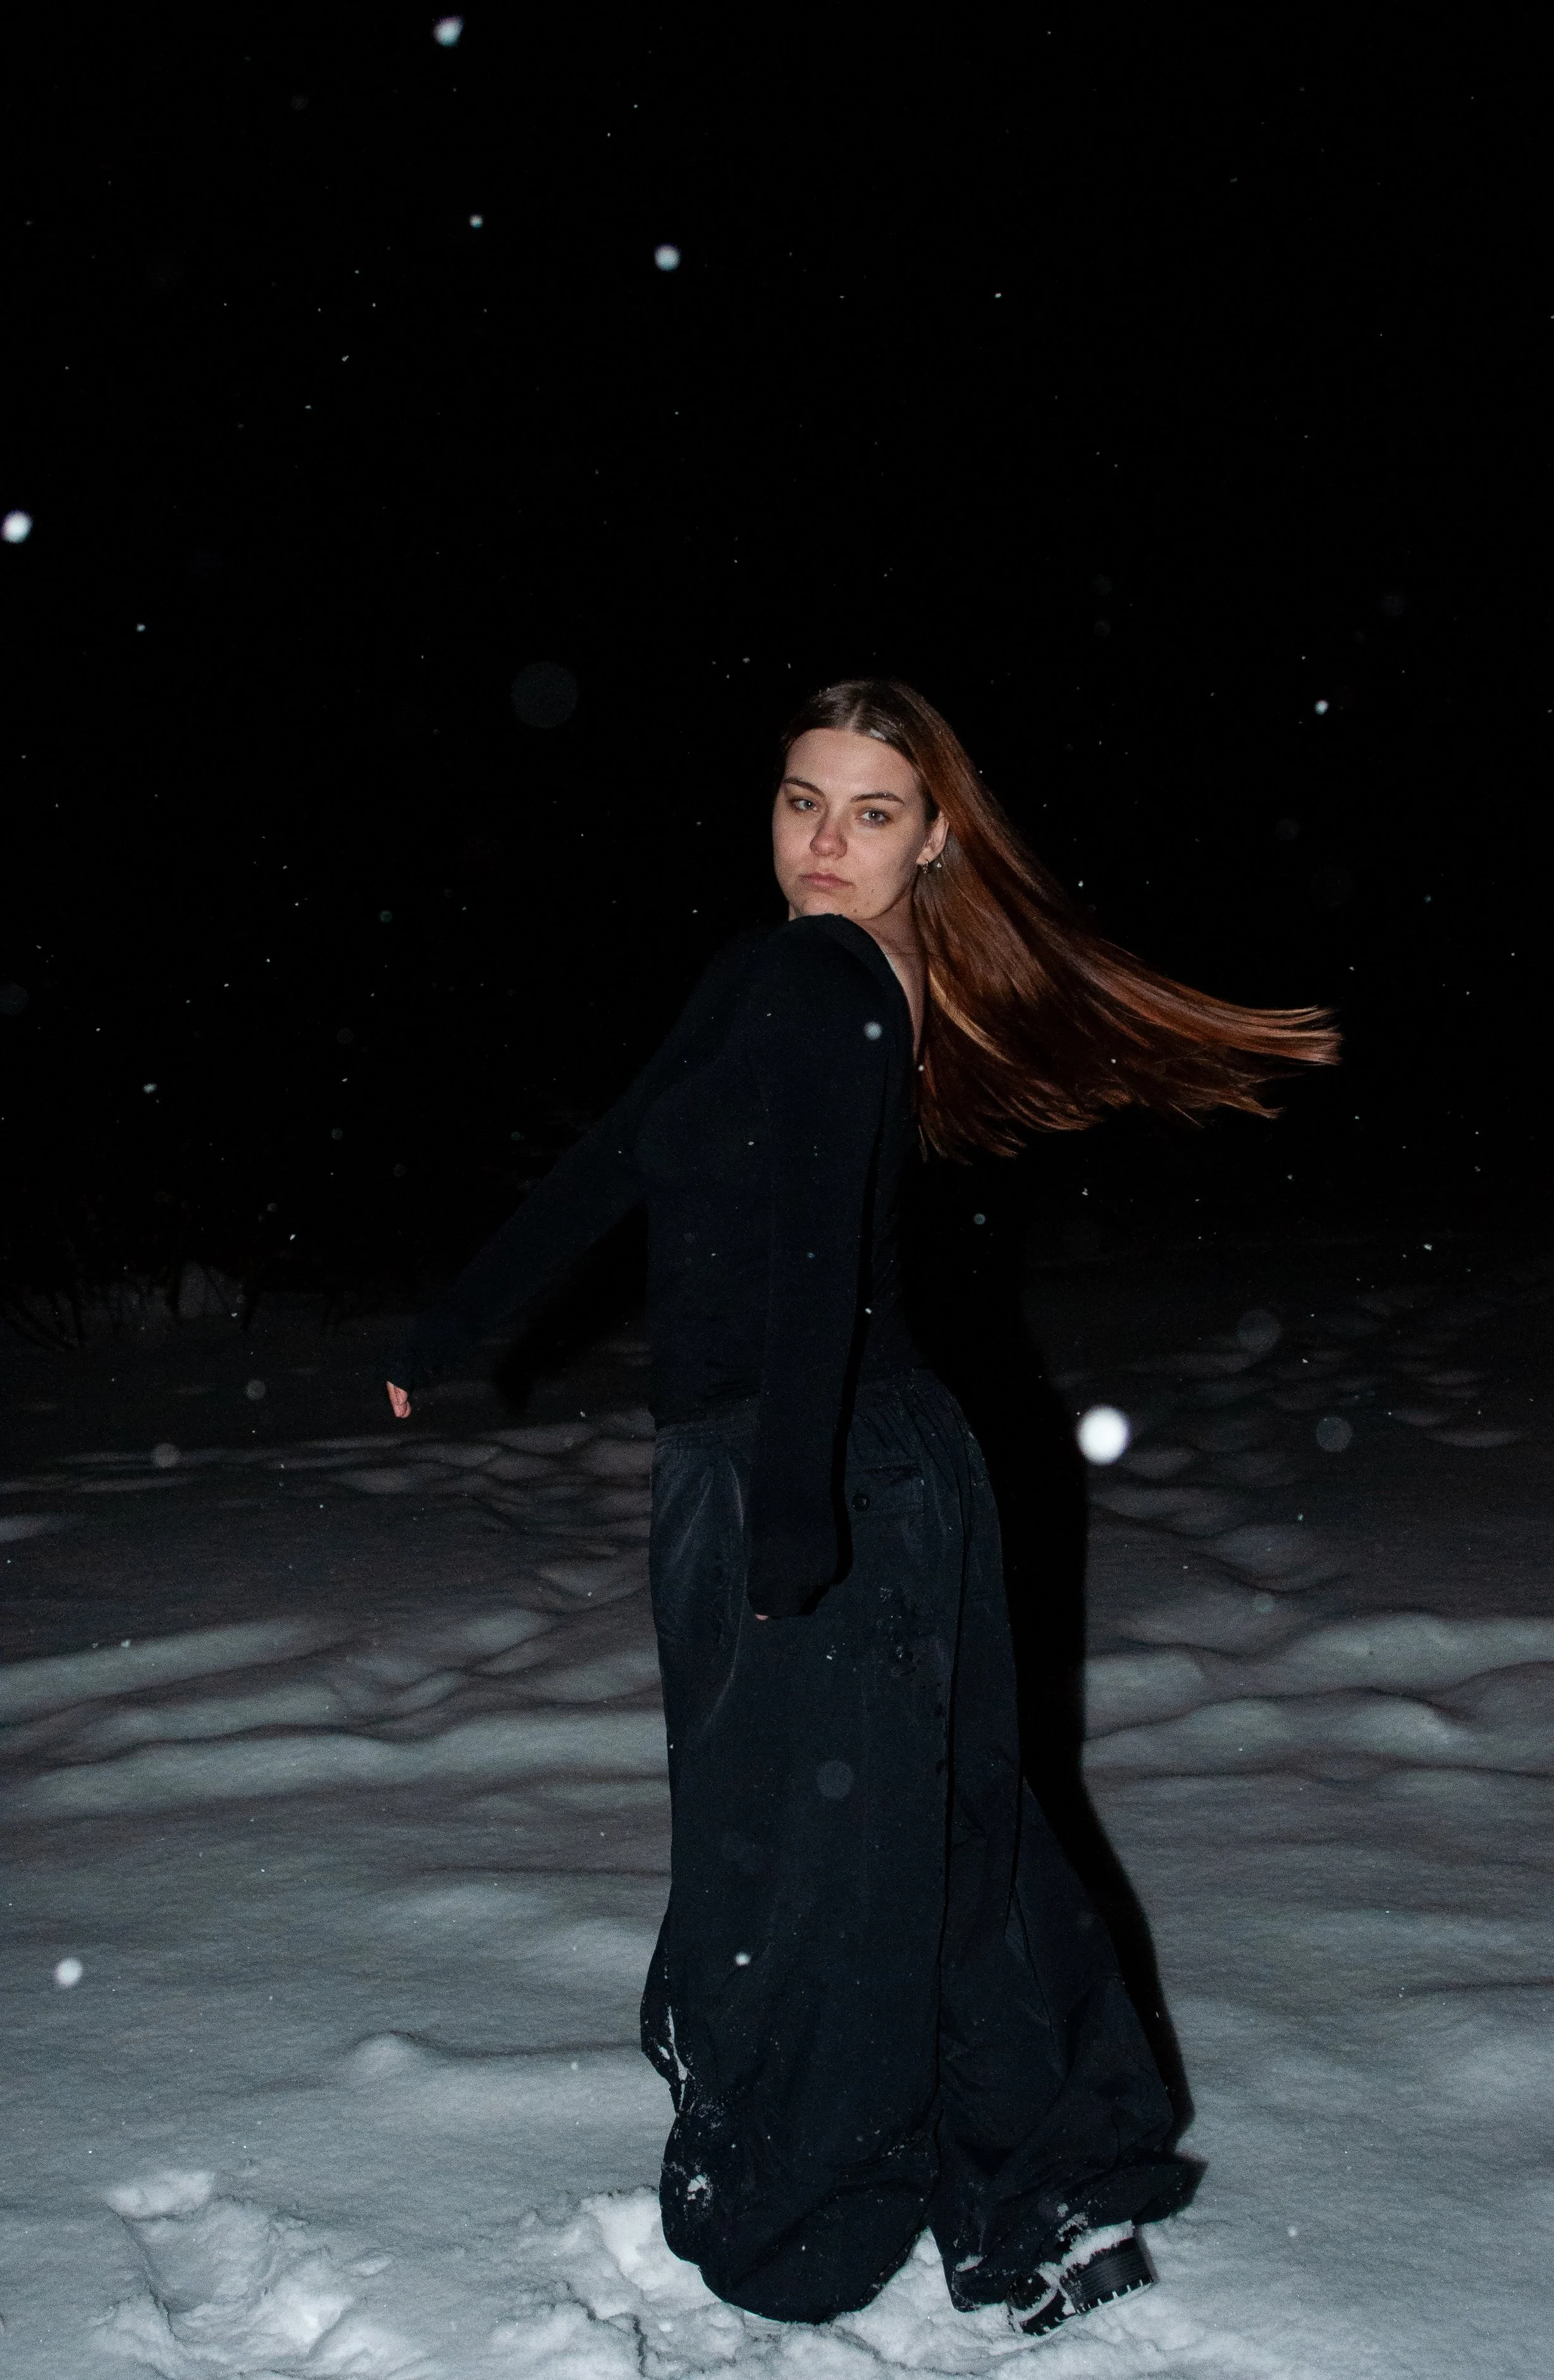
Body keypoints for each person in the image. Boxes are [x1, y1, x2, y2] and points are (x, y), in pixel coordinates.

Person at [385, 678, 1339, 2333]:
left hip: (808, 1456)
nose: (821, 842)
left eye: (870, 811)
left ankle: (804, 2225)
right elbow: (621, 1151)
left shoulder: (821, 974)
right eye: (798, 800)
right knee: (939, 1832)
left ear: (934, 836)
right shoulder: (793, 973)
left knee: (810, 1862)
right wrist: (467, 1316)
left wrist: (788, 1500)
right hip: (866, 1457)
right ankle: (1047, 2183)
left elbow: (819, 1248)